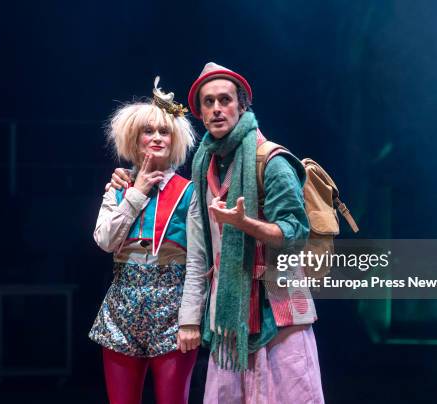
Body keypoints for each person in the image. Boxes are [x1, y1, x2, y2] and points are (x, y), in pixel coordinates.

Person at [111, 63, 325, 403]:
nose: (216, 109)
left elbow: (296, 232)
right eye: (208, 102)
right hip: (229, 318)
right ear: (200, 112)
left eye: (224, 100)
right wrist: (125, 178)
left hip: (279, 314)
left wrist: (246, 224)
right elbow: (197, 252)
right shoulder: (205, 164)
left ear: (241, 105)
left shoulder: (270, 160)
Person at [89, 77, 206, 404]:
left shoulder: (190, 192)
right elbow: (105, 241)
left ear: (175, 139)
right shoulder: (118, 187)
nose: (156, 137)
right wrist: (136, 193)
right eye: (148, 131)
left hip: (173, 311)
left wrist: (190, 321)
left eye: (163, 131)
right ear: (135, 138)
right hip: (121, 309)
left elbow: (199, 261)